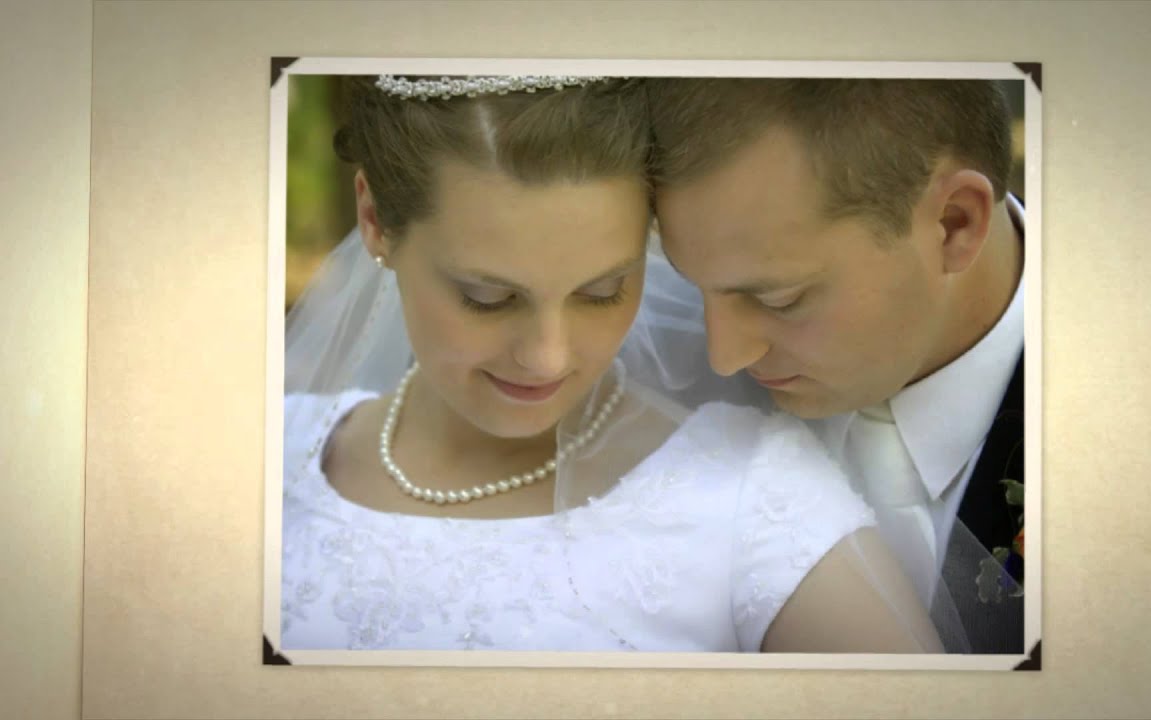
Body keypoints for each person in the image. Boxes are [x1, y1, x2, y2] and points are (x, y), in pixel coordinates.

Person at [277, 74, 944, 654]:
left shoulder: (754, 498)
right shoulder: (262, 459)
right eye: (488, 298)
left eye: (602, 293)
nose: (548, 355)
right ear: (374, 220)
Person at [638, 78, 1027, 654]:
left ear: (953, 224)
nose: (724, 357)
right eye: (696, 288)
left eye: (779, 300)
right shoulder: (648, 382)